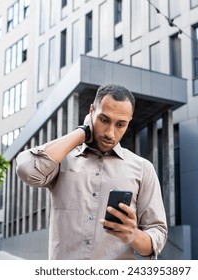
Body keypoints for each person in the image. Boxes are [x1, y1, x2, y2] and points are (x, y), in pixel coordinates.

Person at [16, 84, 167, 260]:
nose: (110, 133)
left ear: (129, 121)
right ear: (92, 111)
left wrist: (133, 235)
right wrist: (82, 132)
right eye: (104, 119)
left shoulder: (143, 169)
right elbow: (26, 170)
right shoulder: (62, 159)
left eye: (120, 124)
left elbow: (158, 234)